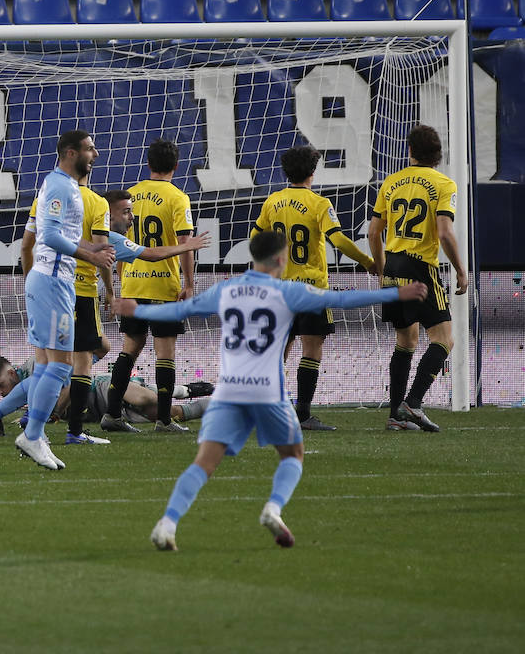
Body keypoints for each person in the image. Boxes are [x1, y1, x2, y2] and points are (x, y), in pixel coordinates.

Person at [113, 230, 427, 551]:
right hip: (267, 393)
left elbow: (180, 311)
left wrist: (138, 311)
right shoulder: (288, 291)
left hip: (229, 392)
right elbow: (341, 299)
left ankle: (167, 524)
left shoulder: (227, 289)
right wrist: (395, 295)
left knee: (203, 464)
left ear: (252, 256)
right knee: (292, 454)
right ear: (280, 258)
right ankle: (273, 508)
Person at [0, 188, 208, 443]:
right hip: (74, 297)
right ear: (107, 214)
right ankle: (65, 429)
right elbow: (149, 254)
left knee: (63, 360)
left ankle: (31, 421)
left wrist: (109, 291)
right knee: (73, 364)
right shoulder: (105, 235)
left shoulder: (69, 227)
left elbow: (34, 247)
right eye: (126, 212)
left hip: (44, 293)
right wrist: (188, 246)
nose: (131, 218)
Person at [251, 145, 376, 431]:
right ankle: (303, 414)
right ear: (312, 172)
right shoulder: (320, 204)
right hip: (311, 290)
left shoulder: (273, 201)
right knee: (311, 350)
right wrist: (368, 262)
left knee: (279, 348)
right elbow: (340, 241)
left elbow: (255, 238)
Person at [13, 130, 114, 469]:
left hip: (52, 280)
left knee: (46, 364)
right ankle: (32, 434)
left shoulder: (65, 186)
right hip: (53, 282)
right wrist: (91, 257)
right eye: (89, 148)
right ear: (70, 153)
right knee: (60, 365)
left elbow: (53, 238)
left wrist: (91, 248)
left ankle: (36, 435)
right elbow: (51, 236)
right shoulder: (59, 186)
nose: (95, 154)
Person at [368, 125, 467, 433]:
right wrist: (460, 270)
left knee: (406, 340)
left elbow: (373, 232)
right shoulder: (443, 183)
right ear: (438, 155)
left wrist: (382, 267)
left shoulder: (392, 182)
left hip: (394, 264)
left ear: (409, 151)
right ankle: (414, 402)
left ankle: (396, 415)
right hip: (421, 267)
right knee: (444, 339)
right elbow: (444, 232)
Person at [107, 140, 195, 433]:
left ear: (148, 164)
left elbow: (118, 240)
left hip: (133, 283)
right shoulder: (178, 197)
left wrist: (121, 278)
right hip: (164, 288)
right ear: (176, 166)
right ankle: (164, 420)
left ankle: (112, 415)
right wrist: (190, 284)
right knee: (164, 353)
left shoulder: (131, 196)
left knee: (129, 348)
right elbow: (185, 245)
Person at [0, 355, 211, 431]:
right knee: (163, 413)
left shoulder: (35, 367)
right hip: (98, 413)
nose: (0, 393)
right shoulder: (24, 394)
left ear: (11, 373)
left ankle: (185, 390)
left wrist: (56, 411)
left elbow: (75, 378)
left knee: (143, 398)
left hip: (98, 389)